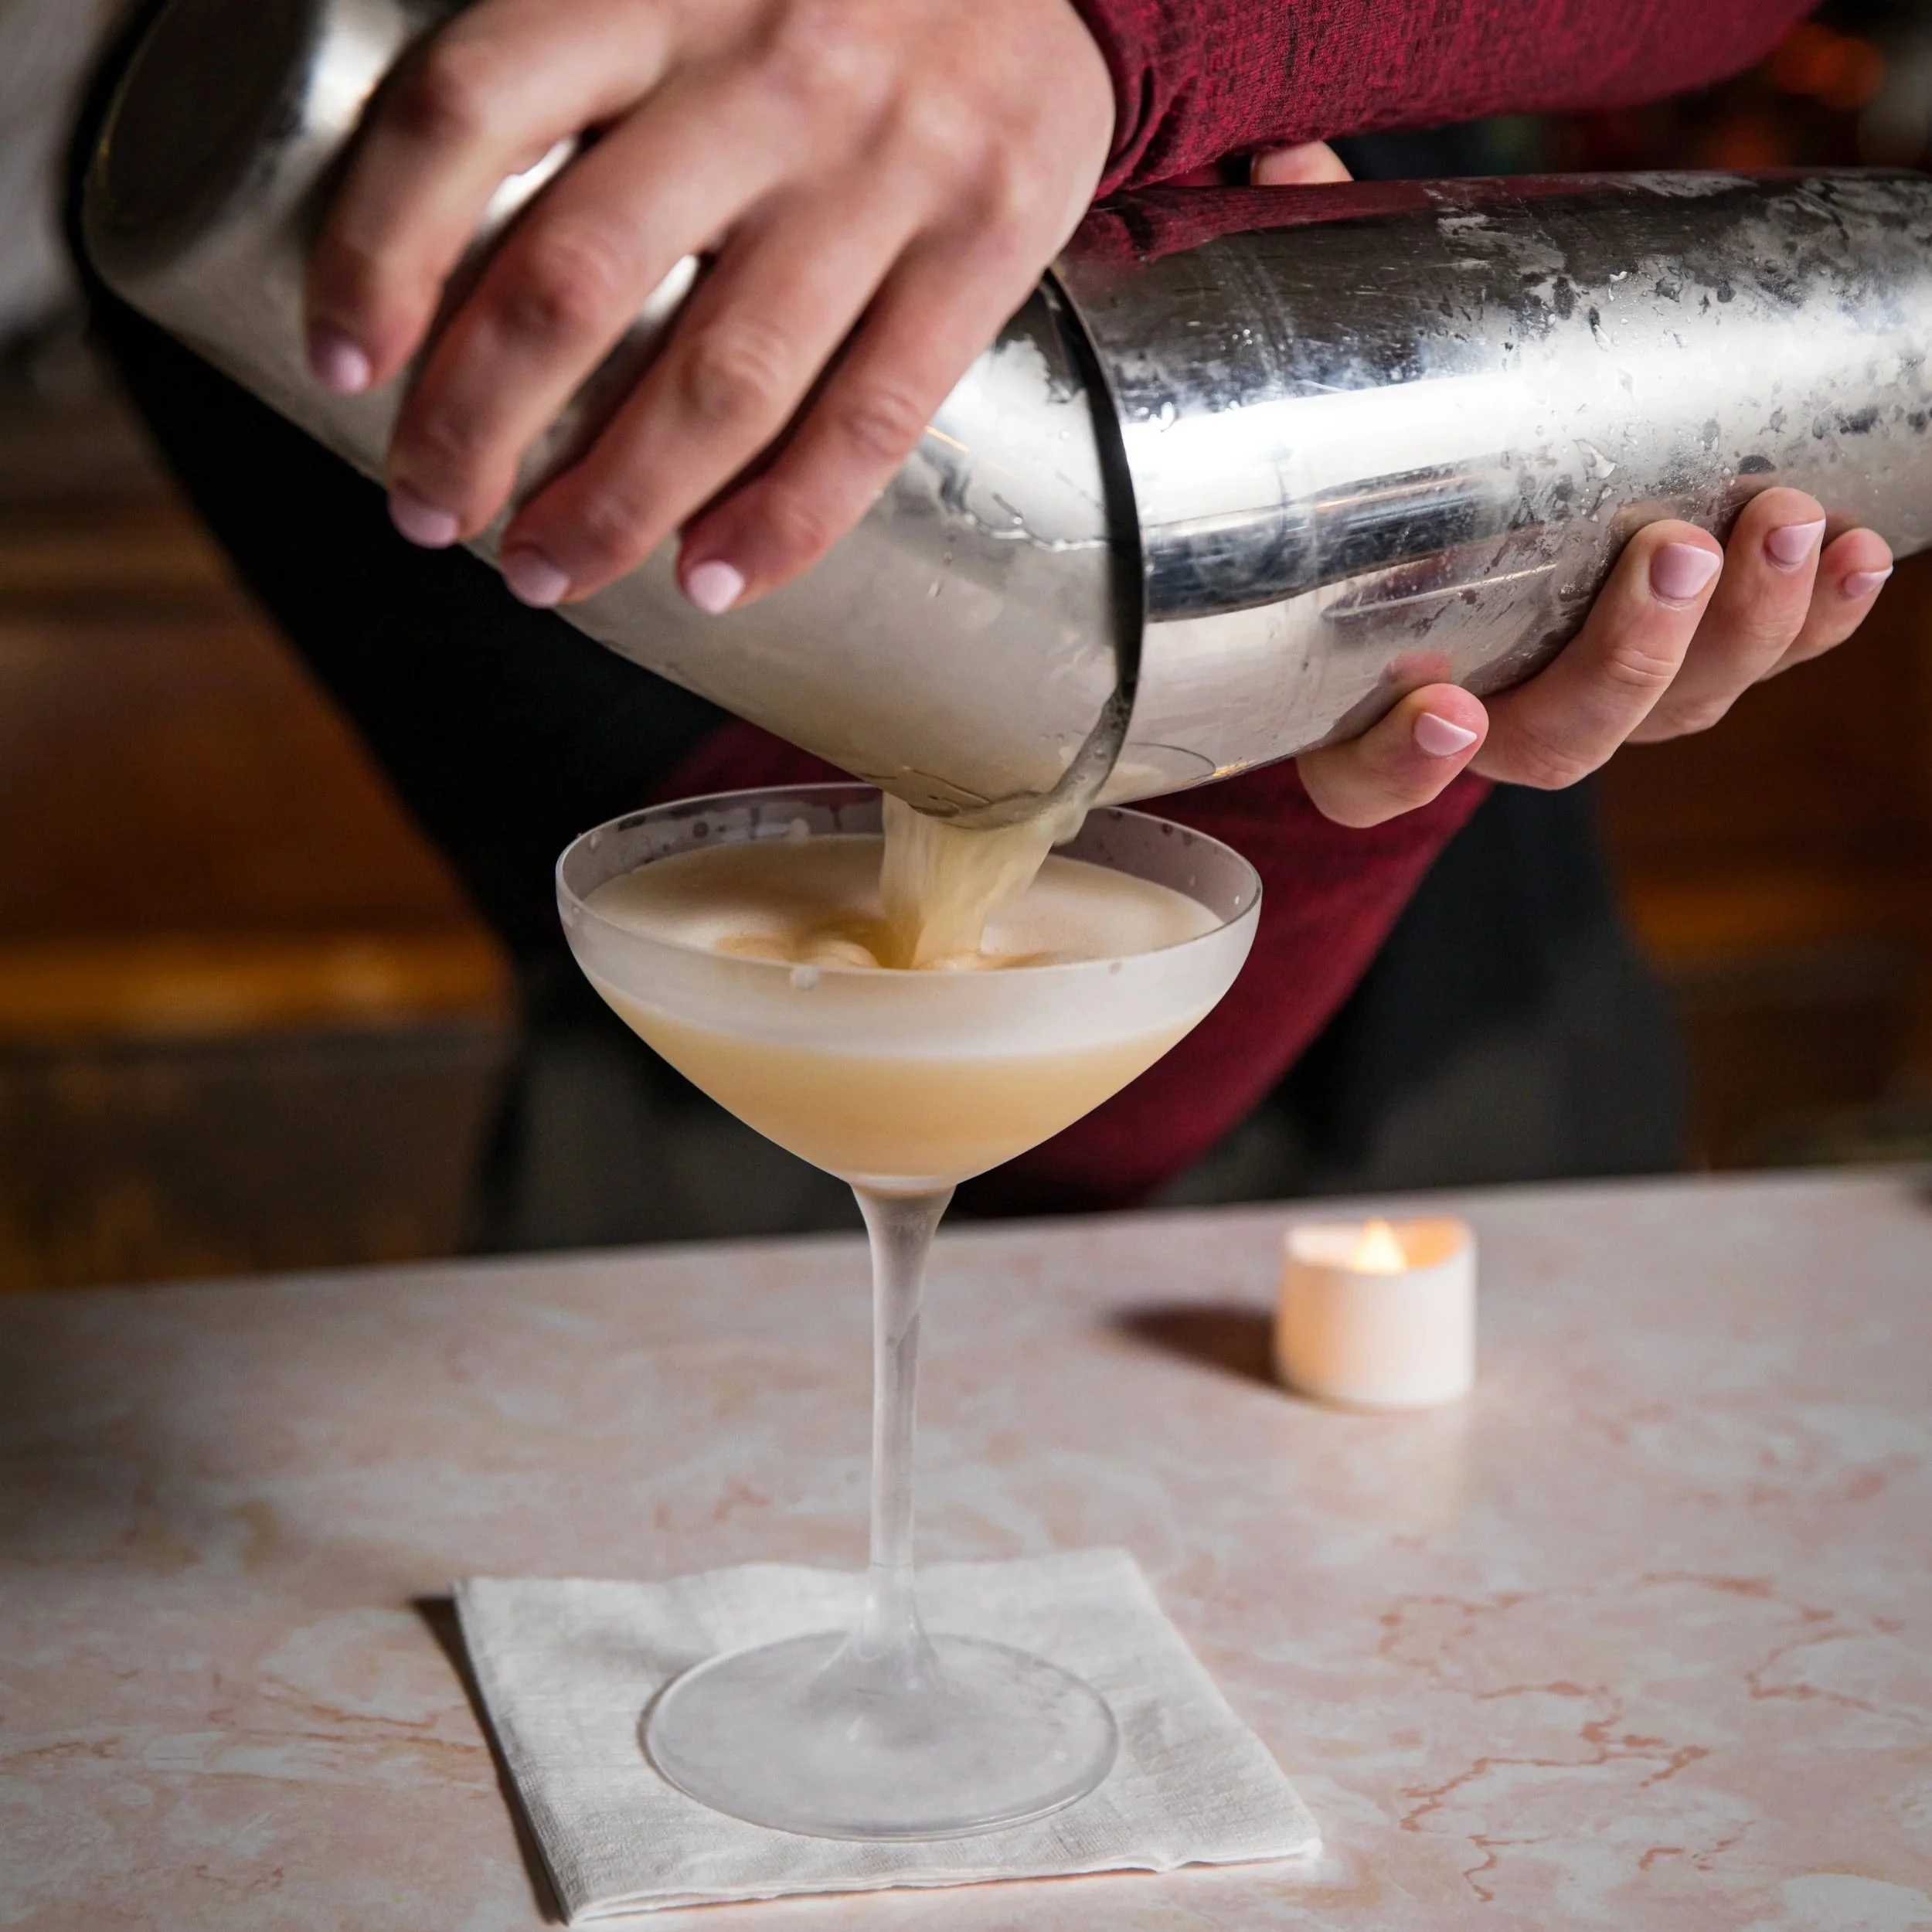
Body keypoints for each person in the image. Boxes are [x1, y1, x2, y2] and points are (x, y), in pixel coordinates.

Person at [66, 0, 1897, 1220]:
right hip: (728, 1231)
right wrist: (1354, 680)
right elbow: (955, 1046)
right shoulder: (339, 165)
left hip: (1509, 1083)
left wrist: (1092, 35)